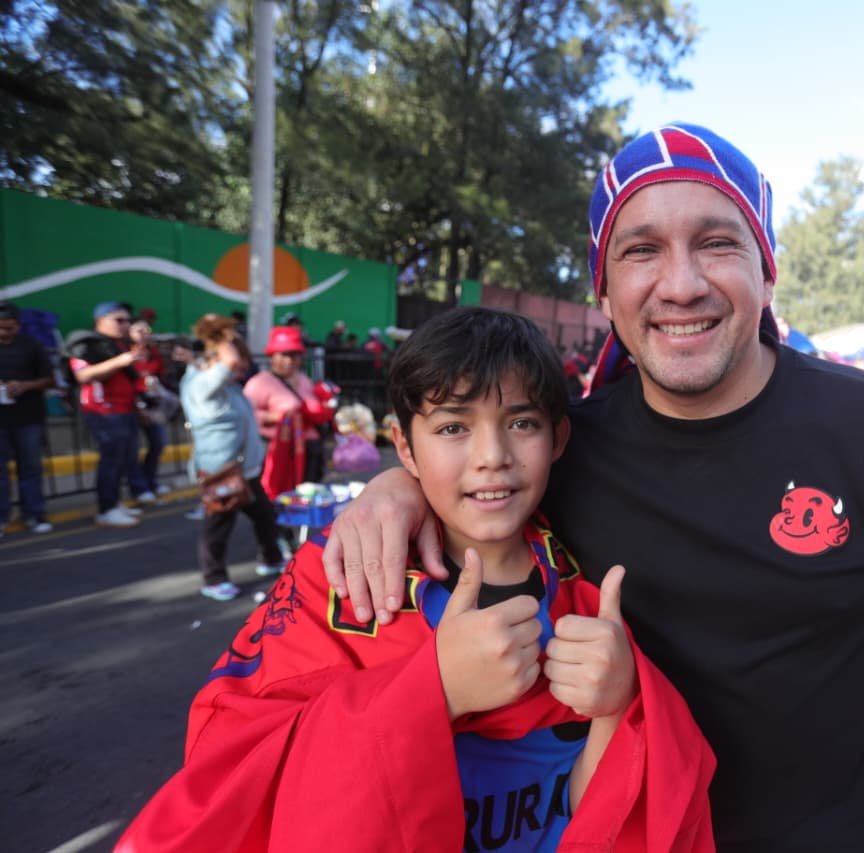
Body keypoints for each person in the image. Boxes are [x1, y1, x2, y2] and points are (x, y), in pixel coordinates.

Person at [321, 122, 864, 852]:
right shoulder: (564, 448)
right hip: (629, 832)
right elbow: (474, 472)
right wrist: (395, 484)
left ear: (766, 268)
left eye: (717, 243)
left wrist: (848, 668)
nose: (681, 284)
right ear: (604, 286)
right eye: (642, 250)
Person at [117, 306, 716, 852]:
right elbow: (226, 778)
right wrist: (433, 690)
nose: (492, 456)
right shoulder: (339, 582)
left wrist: (617, 707)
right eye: (453, 427)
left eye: (522, 423)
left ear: (558, 437)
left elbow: (599, 819)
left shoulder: (581, 589)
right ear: (403, 446)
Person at [180, 315, 288, 602]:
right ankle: (213, 579)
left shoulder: (226, 384)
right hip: (222, 471)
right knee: (218, 526)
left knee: (264, 515)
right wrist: (224, 337)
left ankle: (272, 558)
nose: (242, 366)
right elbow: (225, 362)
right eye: (239, 360)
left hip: (245, 470)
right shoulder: (202, 385)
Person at [65, 301, 149, 528]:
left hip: (125, 410)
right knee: (111, 461)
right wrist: (121, 360)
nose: (124, 325)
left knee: (124, 459)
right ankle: (107, 508)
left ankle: (114, 502)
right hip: (103, 412)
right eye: (118, 320)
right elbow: (83, 375)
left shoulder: (118, 344)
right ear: (100, 320)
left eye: (127, 321)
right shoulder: (86, 343)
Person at [244, 325, 330, 492]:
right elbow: (245, 414)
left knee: (309, 494)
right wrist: (275, 417)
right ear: (272, 357)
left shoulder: (304, 379)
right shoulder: (260, 382)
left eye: (294, 355)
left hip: (309, 450)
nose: (289, 361)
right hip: (281, 453)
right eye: (284, 355)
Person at [0, 300, 55, 538]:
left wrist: (25, 386)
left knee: (31, 468)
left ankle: (33, 514)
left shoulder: (31, 346)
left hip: (28, 417)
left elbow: (50, 379)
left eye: (9, 327)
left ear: (18, 326)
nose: (4, 332)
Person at [126, 319, 173, 501]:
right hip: (132, 405)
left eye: (147, 330)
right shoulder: (124, 354)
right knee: (132, 449)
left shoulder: (153, 353)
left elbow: (160, 375)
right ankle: (138, 488)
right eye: (138, 330)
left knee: (158, 443)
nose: (144, 333)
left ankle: (150, 481)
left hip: (153, 404)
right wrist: (138, 406)